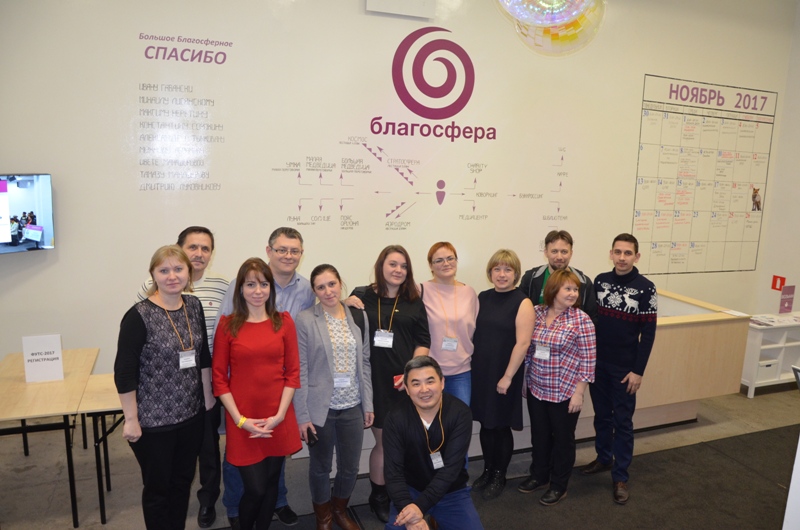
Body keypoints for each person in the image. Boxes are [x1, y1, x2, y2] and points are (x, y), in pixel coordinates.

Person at [215, 227, 314, 528]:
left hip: (277, 414)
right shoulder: (228, 325)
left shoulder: (284, 322)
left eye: (263, 285)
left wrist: (280, 416)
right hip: (242, 416)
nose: (257, 291)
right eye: (250, 285)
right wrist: (241, 421)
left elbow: (293, 373)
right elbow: (219, 378)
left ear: (270, 288)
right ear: (240, 289)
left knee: (271, 484)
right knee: (255, 488)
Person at [114, 245, 215, 530]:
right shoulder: (139, 316)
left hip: (191, 416)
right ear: (153, 275)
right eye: (164, 270)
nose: (172, 276)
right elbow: (124, 372)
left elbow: (202, 355)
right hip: (153, 423)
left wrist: (207, 397)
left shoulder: (193, 305)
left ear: (188, 273)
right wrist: (131, 419)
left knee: (182, 483)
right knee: (158, 489)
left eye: (178, 269)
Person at [135, 226, 229, 528]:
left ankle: (208, 501)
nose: (199, 253)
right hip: (165, 387)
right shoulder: (154, 287)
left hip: (206, 379)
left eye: (206, 248)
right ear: (180, 250)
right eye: (193, 247)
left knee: (208, 447)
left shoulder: (222, 286)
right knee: (172, 460)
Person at [345, 244, 431, 523]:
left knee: (403, 441)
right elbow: (339, 321)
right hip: (371, 381)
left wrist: (411, 374)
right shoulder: (362, 295)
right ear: (381, 265)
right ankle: (379, 496)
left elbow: (423, 340)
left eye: (404, 266)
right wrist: (342, 302)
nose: (398, 270)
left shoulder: (413, 300)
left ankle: (399, 491)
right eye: (393, 264)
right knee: (384, 443)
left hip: (402, 382)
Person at [293, 264, 374, 530]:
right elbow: (300, 369)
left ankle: (339, 510)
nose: (328, 291)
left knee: (350, 467)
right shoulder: (305, 319)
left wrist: (368, 403)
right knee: (320, 467)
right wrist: (302, 416)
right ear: (314, 291)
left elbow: (365, 362)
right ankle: (323, 517)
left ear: (340, 283)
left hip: (353, 406)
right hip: (320, 410)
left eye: (332, 284)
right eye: (321, 287)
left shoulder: (358, 316)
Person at [582, 233, 657, 505]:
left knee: (622, 422)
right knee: (602, 416)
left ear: (637, 256)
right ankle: (604, 458)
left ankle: (620, 476)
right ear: (611, 254)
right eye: (618, 252)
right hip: (598, 364)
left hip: (625, 369)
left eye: (628, 253)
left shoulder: (646, 288)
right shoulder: (600, 281)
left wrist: (638, 371)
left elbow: (648, 334)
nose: (622, 258)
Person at [383, 356, 483, 530]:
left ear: (442, 383)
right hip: (410, 491)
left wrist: (419, 508)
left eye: (430, 381)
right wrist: (411, 513)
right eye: (416, 384)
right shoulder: (396, 418)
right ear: (407, 389)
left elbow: (451, 469)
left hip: (451, 491)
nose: (424, 390)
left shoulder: (460, 413)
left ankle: (436, 519)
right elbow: (393, 473)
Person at [523, 269, 596, 506]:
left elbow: (588, 360)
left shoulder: (581, 319)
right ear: (553, 290)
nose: (573, 293)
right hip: (537, 387)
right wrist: (525, 380)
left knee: (563, 440)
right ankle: (539, 475)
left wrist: (579, 393)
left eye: (576, 289)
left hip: (565, 391)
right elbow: (529, 349)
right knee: (539, 435)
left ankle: (559, 485)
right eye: (568, 289)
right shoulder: (536, 312)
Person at [471, 249, 534, 501]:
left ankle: (499, 474)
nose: (502, 274)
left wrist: (507, 377)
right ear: (490, 273)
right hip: (482, 372)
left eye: (508, 269)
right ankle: (487, 469)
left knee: (500, 425)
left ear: (516, 274)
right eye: (497, 269)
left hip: (505, 373)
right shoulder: (483, 297)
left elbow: (523, 343)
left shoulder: (523, 302)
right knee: (486, 423)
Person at [420, 242, 478, 407]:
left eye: (450, 258)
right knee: (430, 419)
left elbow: (474, 329)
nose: (446, 263)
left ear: (456, 261)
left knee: (459, 419)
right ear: (431, 266)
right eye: (439, 260)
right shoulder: (420, 290)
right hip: (429, 371)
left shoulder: (469, 293)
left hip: (461, 371)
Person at [519, 230, 598, 322]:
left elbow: (592, 317)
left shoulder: (584, 282)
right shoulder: (531, 278)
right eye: (554, 251)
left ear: (571, 253)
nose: (559, 257)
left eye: (564, 252)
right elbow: (520, 311)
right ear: (546, 252)